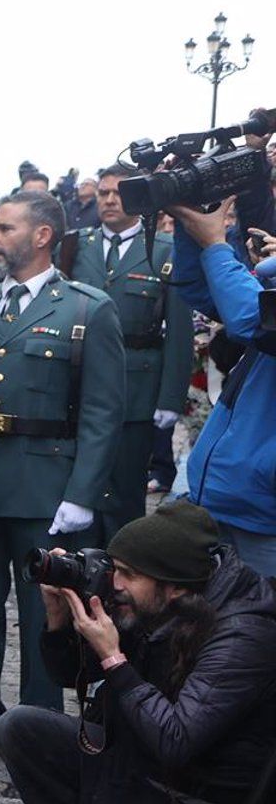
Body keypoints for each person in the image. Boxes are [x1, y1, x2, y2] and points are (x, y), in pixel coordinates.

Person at [0, 501, 276, 804]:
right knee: (20, 729)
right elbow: (69, 676)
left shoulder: (245, 636)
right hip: (139, 774)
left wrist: (115, 658)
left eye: (128, 573)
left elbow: (177, 742)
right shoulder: (159, 604)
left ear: (172, 587)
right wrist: (58, 619)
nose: (115, 583)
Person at [0, 190, 125, 738]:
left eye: (7, 229)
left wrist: (82, 494)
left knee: (43, 613)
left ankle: (37, 726)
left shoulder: (86, 307)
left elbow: (103, 413)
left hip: (45, 484)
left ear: (42, 236)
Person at [69, 165, 193, 533]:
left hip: (136, 387)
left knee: (124, 491)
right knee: (80, 484)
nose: (108, 199)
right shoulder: (76, 246)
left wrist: (170, 399)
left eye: (118, 193)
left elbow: (180, 333)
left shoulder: (164, 249)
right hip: (80, 383)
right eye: (103, 192)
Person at [166, 199, 276, 574]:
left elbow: (251, 320)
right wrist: (189, 219)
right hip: (224, 494)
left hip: (265, 512)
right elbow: (201, 291)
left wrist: (215, 245)